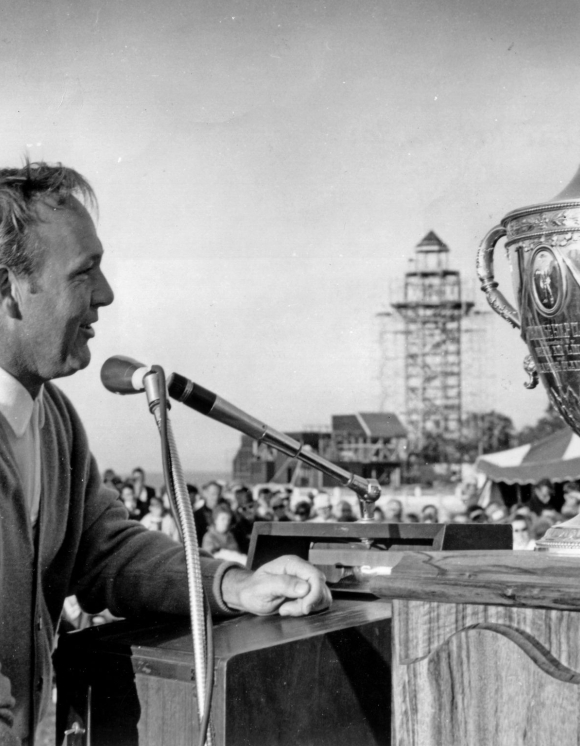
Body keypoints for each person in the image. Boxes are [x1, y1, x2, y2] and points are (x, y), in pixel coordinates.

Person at [0, 162, 331, 745]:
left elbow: (108, 551)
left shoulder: (54, 423)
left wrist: (230, 585)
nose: (105, 294)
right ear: (8, 288)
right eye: (85, 272)